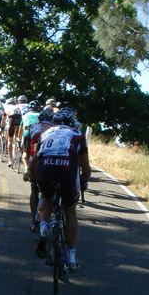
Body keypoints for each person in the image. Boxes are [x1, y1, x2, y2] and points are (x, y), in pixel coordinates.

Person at [30, 108, 91, 272]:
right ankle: (71, 258)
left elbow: (34, 162)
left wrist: (33, 179)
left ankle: (43, 228)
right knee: (70, 211)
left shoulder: (46, 133)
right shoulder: (78, 135)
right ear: (73, 123)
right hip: (66, 171)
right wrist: (84, 181)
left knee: (46, 197)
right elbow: (85, 168)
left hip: (45, 169)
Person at [25, 107, 55, 232]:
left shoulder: (33, 127)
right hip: (51, 160)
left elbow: (27, 145)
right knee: (51, 191)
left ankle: (34, 221)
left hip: (36, 159)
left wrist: (28, 162)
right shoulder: (56, 128)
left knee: (34, 189)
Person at [4, 97, 23, 167]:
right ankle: (18, 148)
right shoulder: (17, 107)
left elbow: (4, 118)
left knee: (10, 140)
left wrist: (2, 125)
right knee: (18, 137)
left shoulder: (6, 107)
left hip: (11, 121)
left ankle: (10, 159)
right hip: (19, 120)